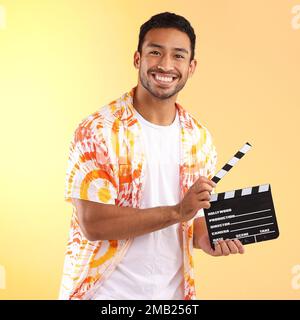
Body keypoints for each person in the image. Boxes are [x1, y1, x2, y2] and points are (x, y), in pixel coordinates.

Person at [59, 12, 244, 300]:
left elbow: (189, 219)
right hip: (104, 296)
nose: (166, 65)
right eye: (155, 52)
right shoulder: (97, 131)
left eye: (179, 56)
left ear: (192, 66)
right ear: (138, 59)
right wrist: (176, 212)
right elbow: (93, 223)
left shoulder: (199, 139)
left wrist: (204, 236)